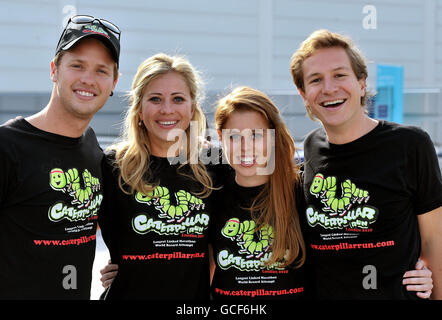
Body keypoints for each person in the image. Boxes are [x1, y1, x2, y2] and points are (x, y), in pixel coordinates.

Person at [289, 29, 441, 299]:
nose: (329, 88)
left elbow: (434, 243)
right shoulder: (310, 148)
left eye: (339, 75)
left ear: (361, 83)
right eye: (315, 80)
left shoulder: (410, 145)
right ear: (303, 95)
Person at [0, 15, 120, 299]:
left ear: (114, 82)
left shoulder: (92, 149)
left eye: (101, 70)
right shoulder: (7, 147)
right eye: (77, 65)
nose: (88, 79)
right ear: (54, 70)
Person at [98, 53, 220, 300]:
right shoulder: (112, 166)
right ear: (139, 109)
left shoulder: (214, 165)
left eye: (178, 99)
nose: (167, 110)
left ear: (192, 106)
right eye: (155, 99)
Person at [209, 86, 311, 300]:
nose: (245, 148)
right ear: (220, 136)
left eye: (256, 135)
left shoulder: (301, 190)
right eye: (234, 137)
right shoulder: (211, 191)